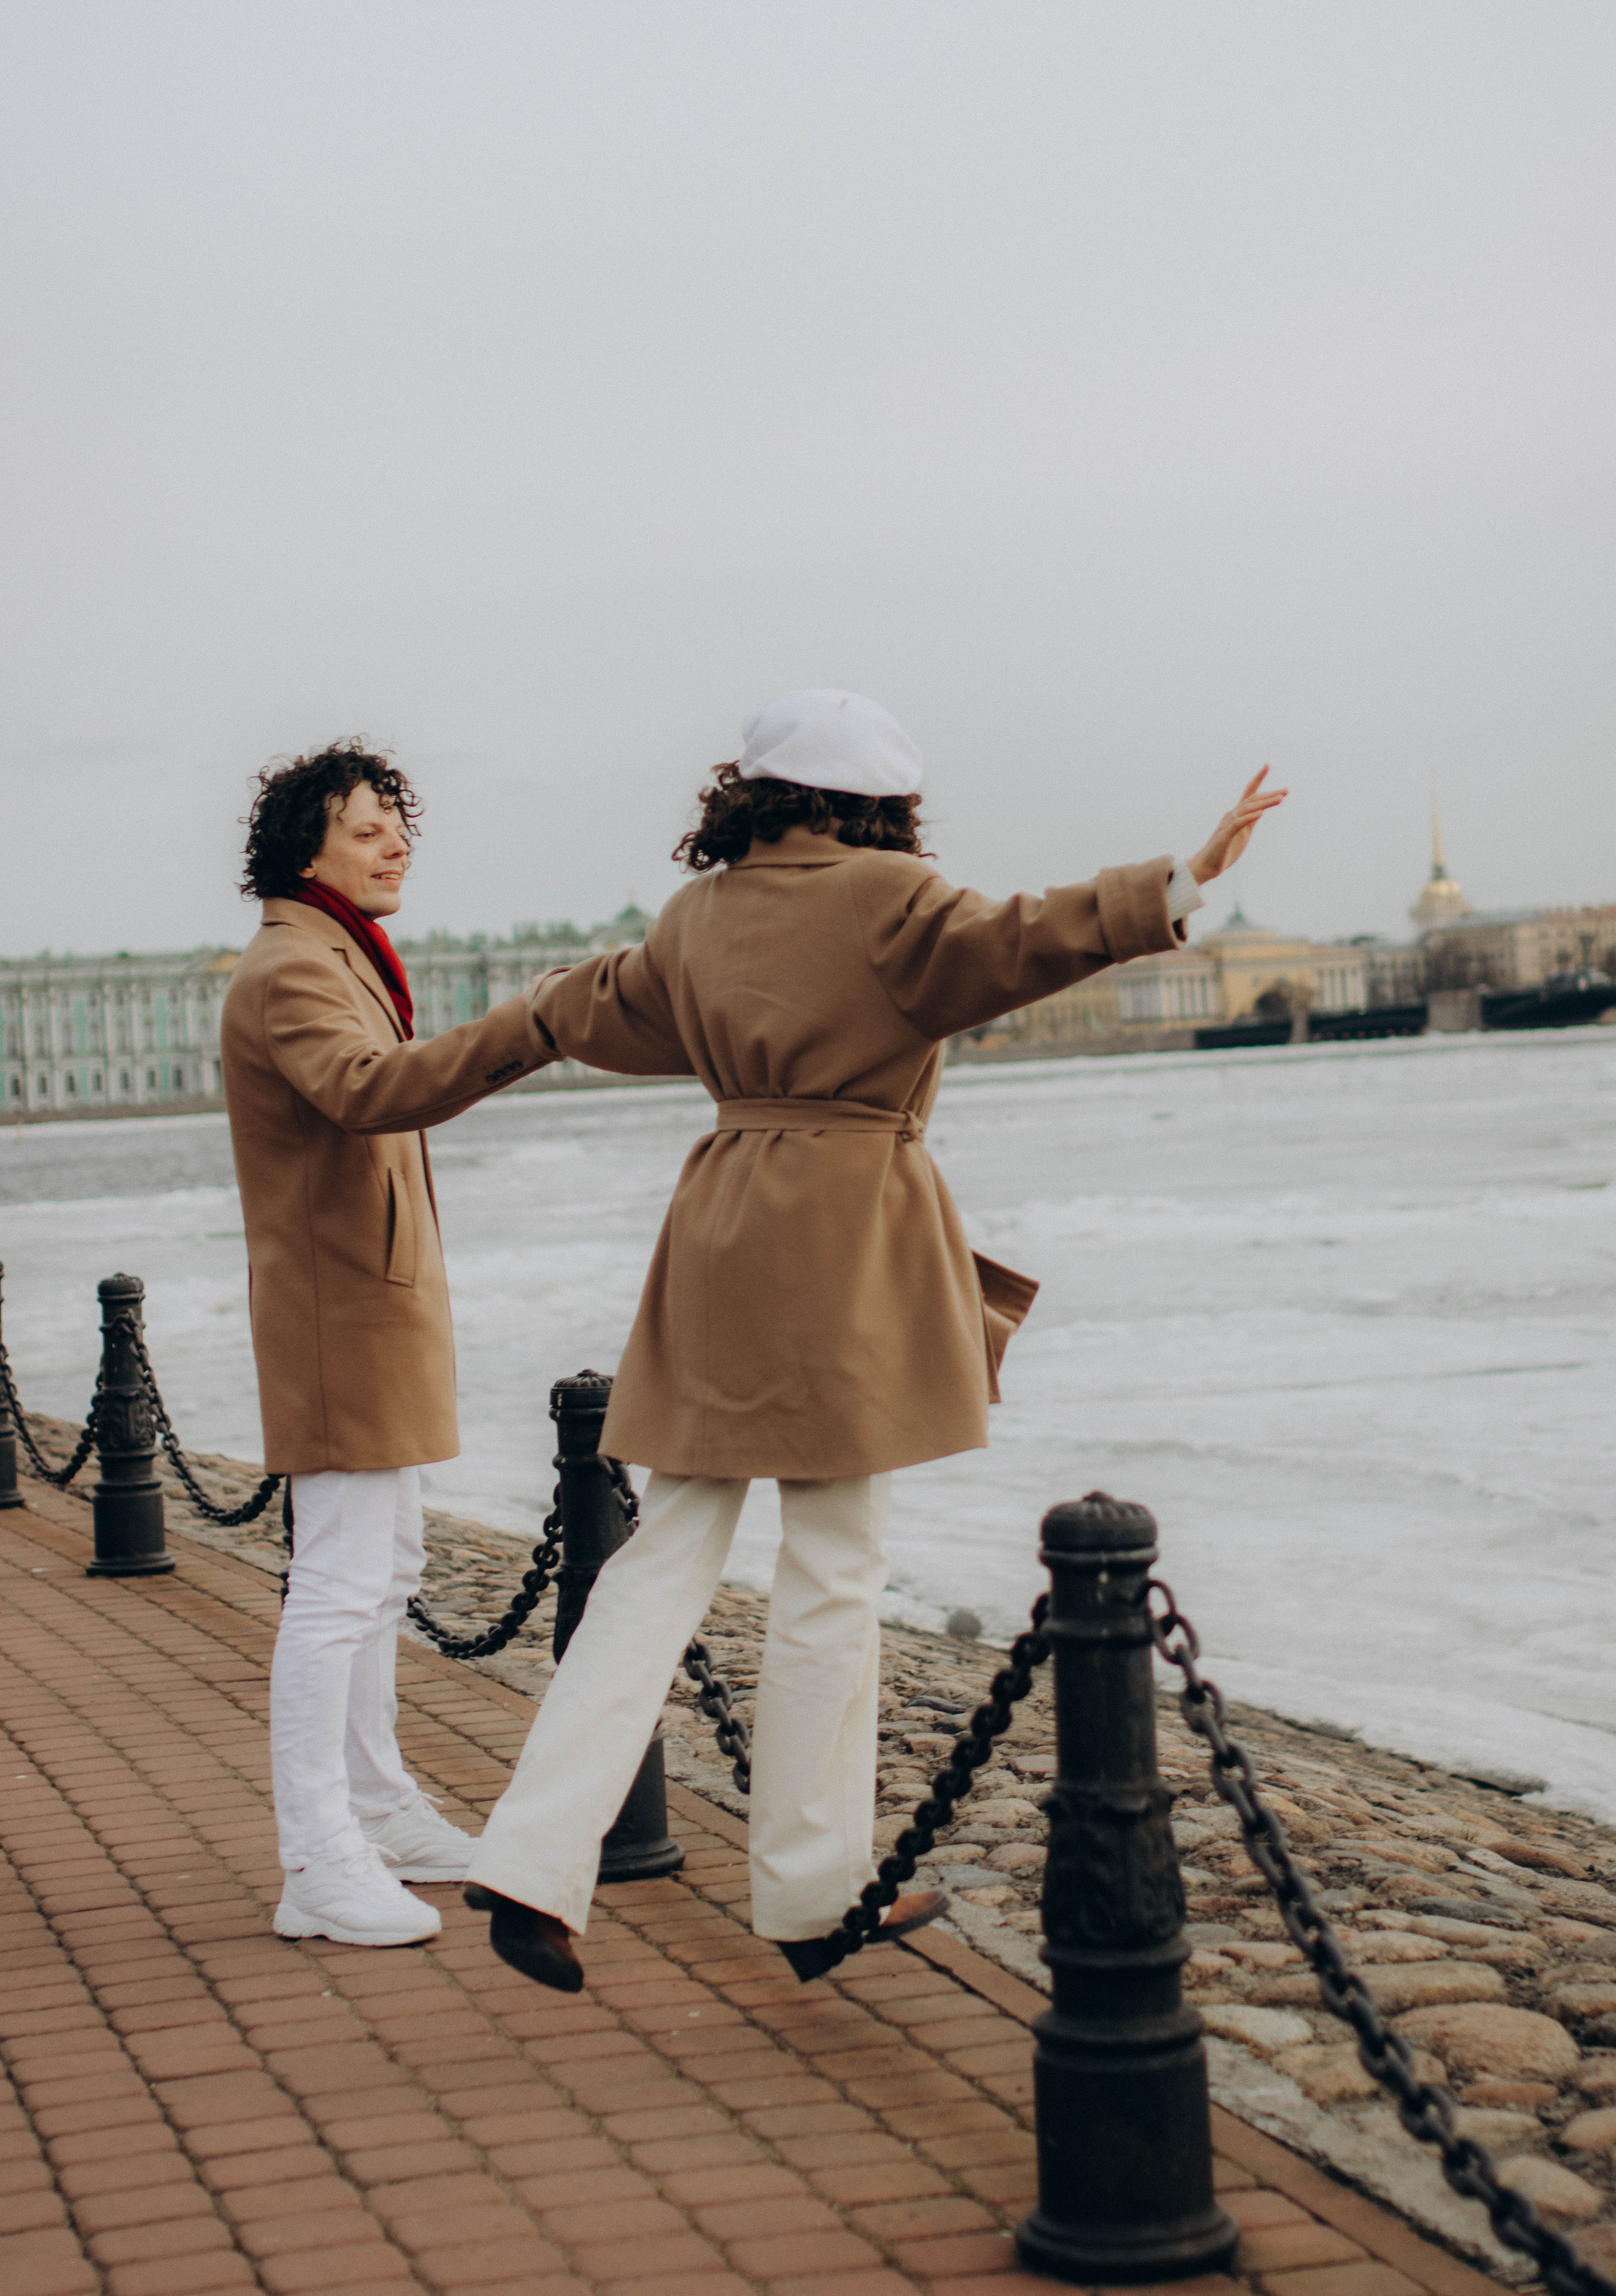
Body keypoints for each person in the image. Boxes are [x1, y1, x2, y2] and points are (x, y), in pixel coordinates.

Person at [466, 688, 1284, 1990]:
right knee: (832, 1570)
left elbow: (595, 1010)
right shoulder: (891, 902)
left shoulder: (697, 914)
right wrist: (1183, 877)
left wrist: (471, 1043)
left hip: (720, 1224)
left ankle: (528, 1860)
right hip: (840, 1237)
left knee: (659, 1562)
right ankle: (807, 1888)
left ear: (758, 790)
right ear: (876, 803)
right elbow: (1029, 938)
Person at [221, 741, 559, 1949]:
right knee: (338, 1587)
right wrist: (530, 1028)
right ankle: (318, 1859)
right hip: (338, 1318)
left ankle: (378, 1807)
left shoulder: (334, 954)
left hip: (370, 1305)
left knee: (388, 1566)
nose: (396, 845)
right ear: (304, 847)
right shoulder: (292, 970)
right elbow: (370, 1091)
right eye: (369, 829)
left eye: (397, 826)